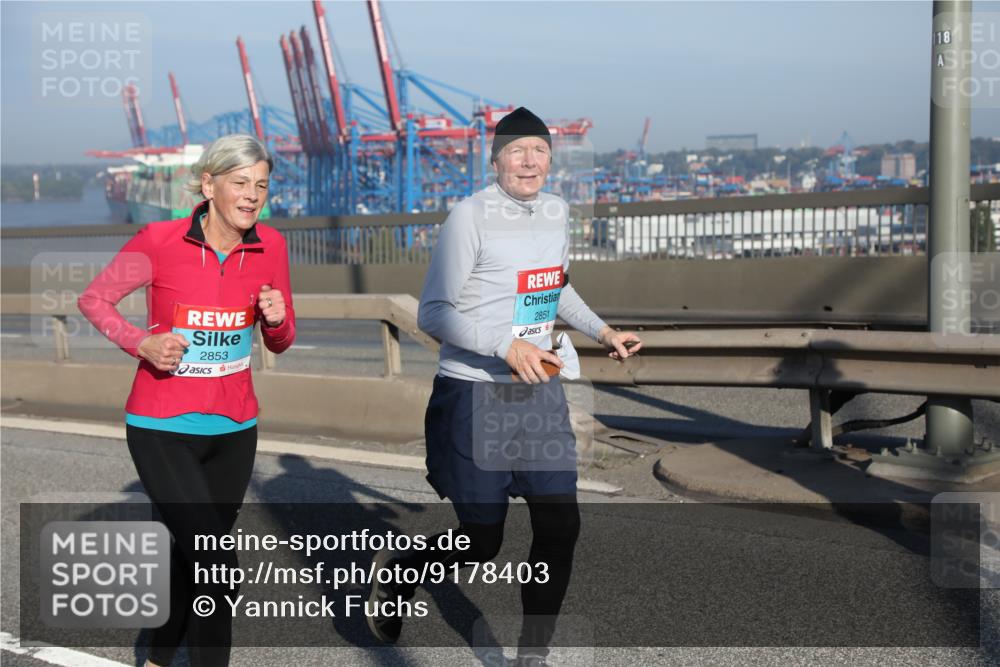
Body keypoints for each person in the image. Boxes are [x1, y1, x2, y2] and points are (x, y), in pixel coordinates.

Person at [367, 107, 642, 665]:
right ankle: (400, 576)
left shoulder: (556, 211)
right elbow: (434, 312)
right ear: (494, 160)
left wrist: (602, 329)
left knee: (561, 524)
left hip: (538, 394)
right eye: (517, 150)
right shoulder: (470, 217)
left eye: (539, 150)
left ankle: (531, 657)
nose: (529, 160)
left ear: (550, 159)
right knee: (480, 541)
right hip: (475, 395)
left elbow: (554, 289)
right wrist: (504, 346)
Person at [78, 134, 296, 667]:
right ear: (209, 184)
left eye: (261, 185)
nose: (252, 196)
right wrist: (141, 342)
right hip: (162, 426)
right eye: (240, 183)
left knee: (191, 558)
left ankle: (155, 659)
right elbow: (94, 299)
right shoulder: (160, 239)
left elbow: (281, 339)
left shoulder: (271, 245)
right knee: (216, 566)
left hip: (234, 428)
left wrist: (277, 319)